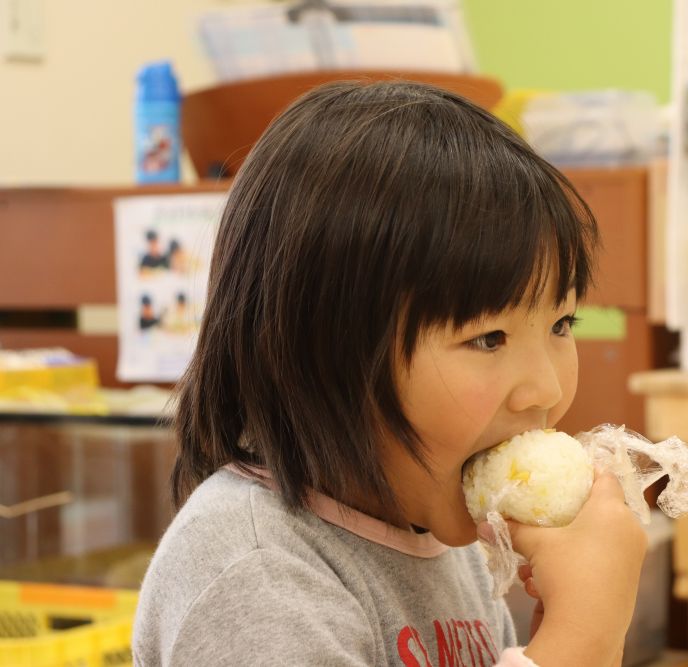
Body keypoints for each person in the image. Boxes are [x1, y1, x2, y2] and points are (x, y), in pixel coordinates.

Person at [133, 81, 648, 666]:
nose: (547, 390)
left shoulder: (441, 542)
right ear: (327, 355)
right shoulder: (255, 574)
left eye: (561, 324)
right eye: (487, 338)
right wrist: (583, 637)